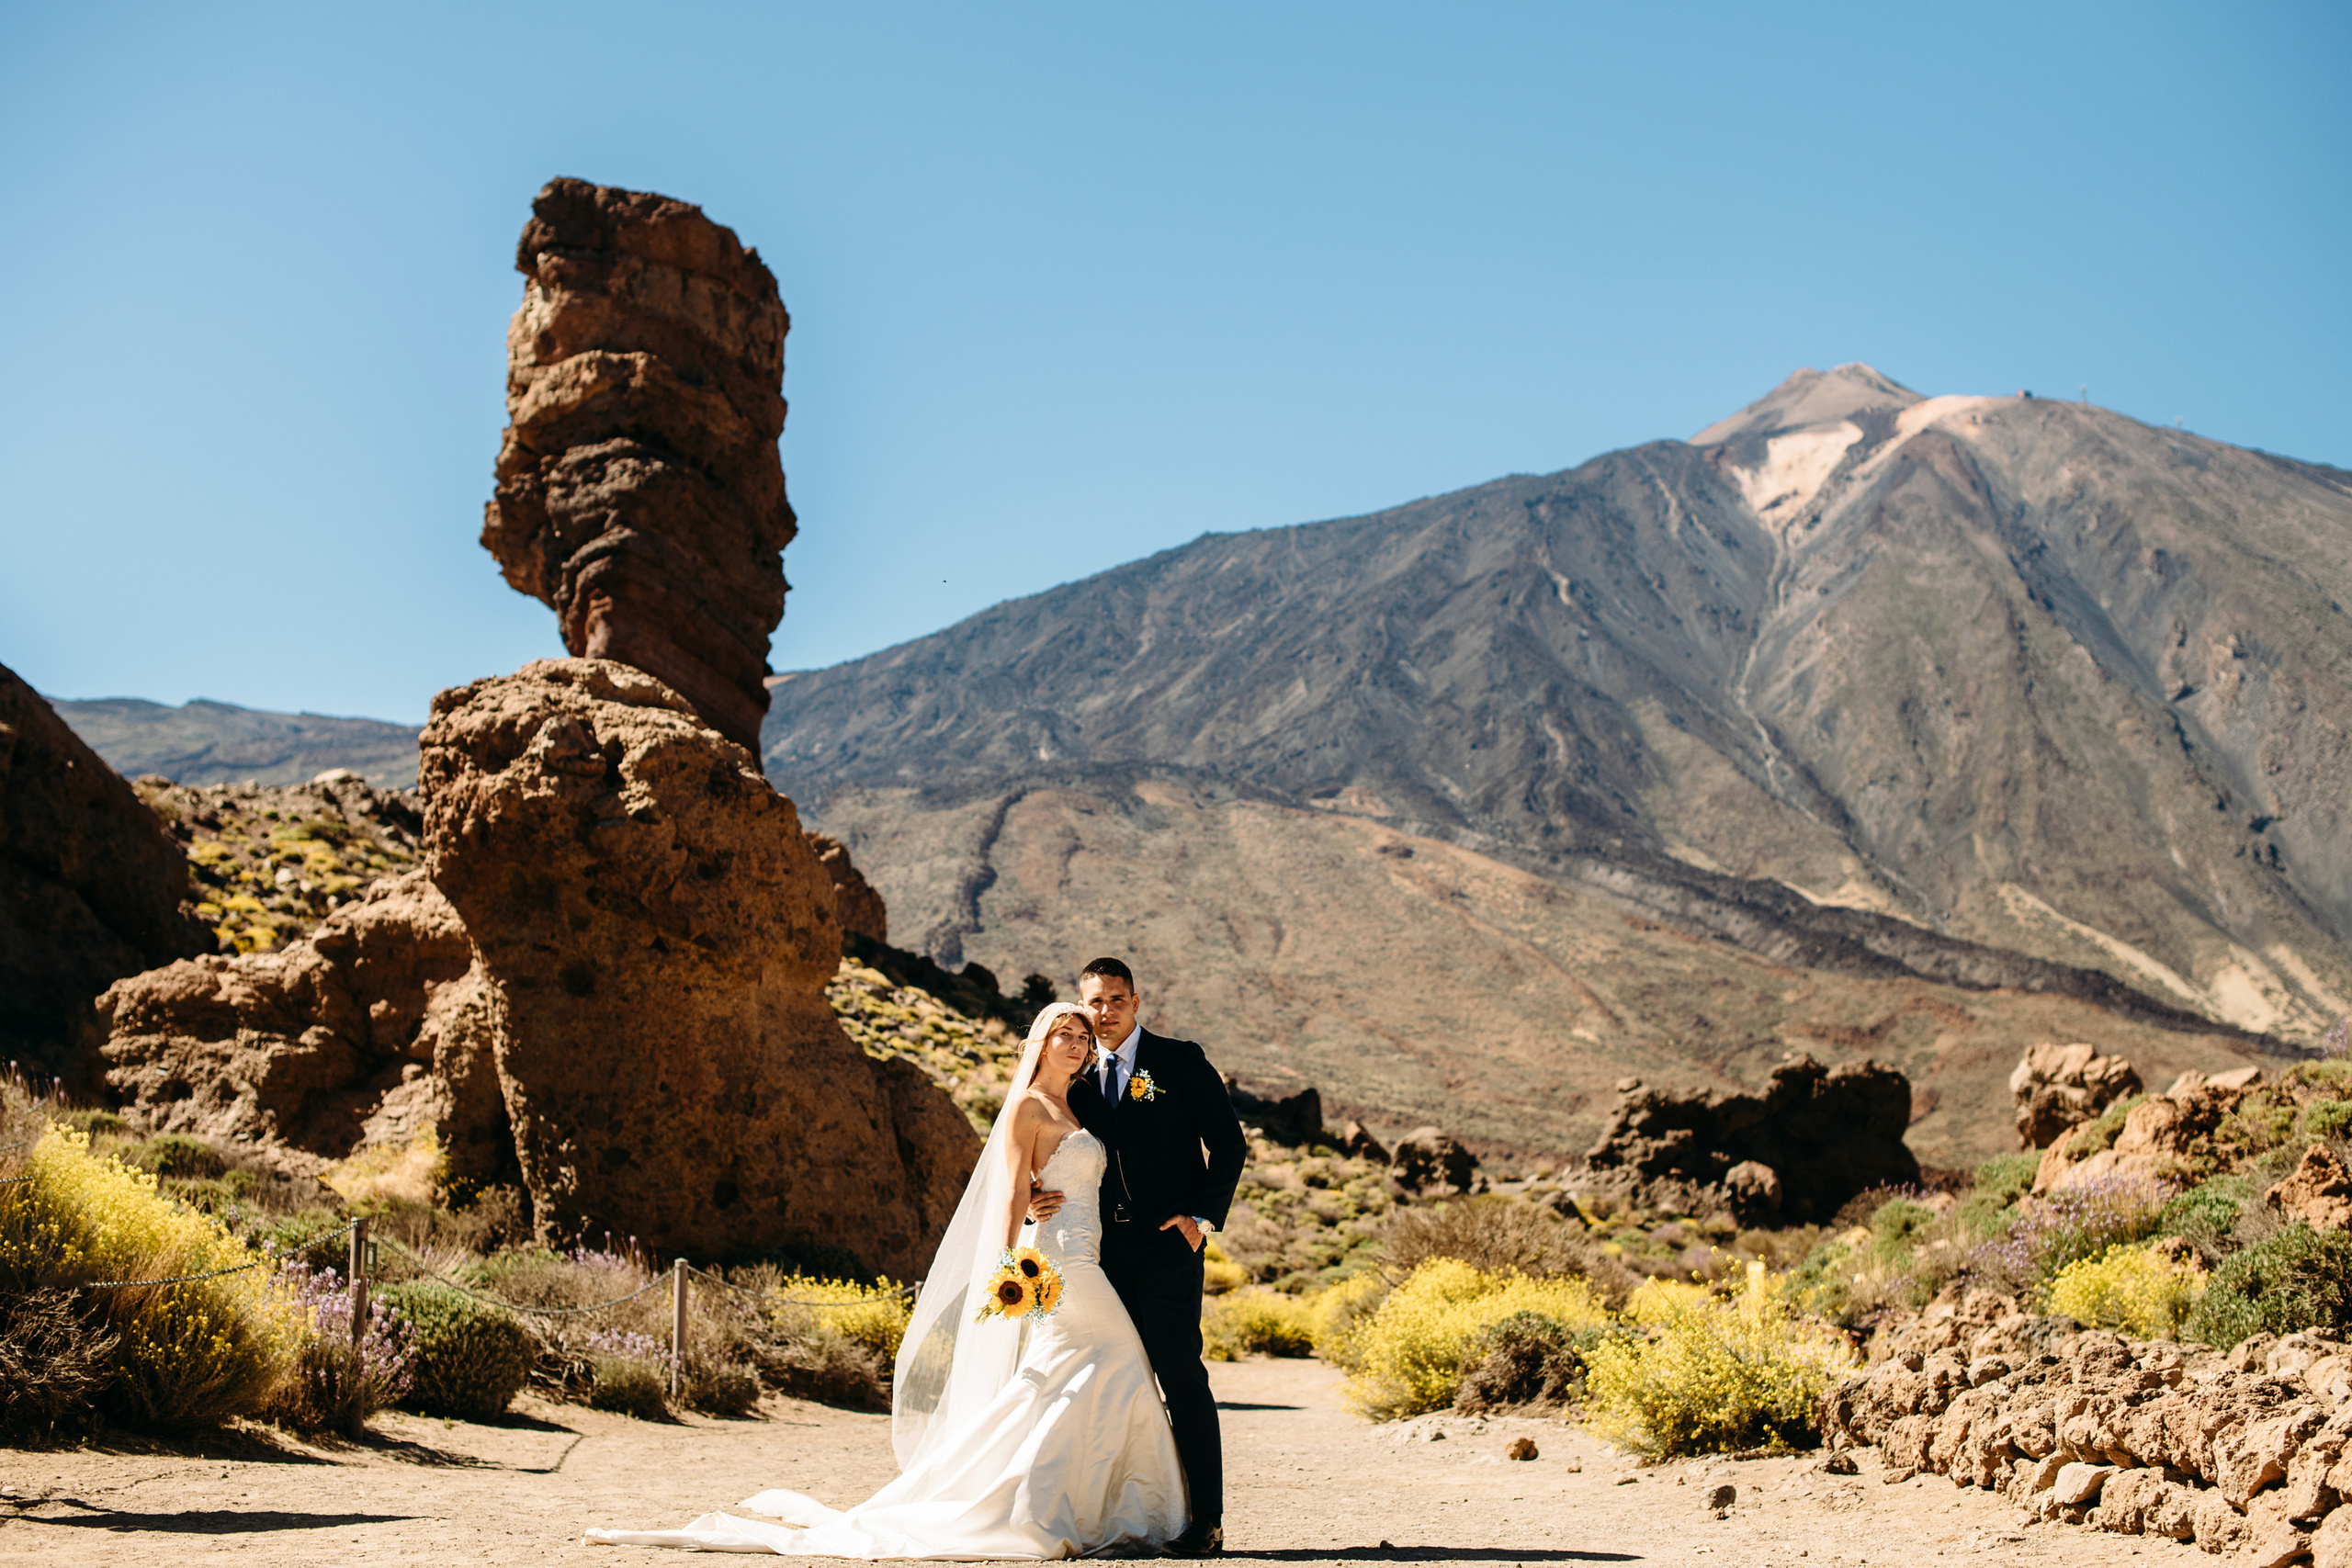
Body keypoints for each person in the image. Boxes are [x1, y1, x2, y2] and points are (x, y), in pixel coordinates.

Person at [585, 1002, 1188, 1558]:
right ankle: (1086, 1504)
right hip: (1054, 1261)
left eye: (1084, 1037)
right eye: (1066, 1034)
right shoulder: (1028, 1105)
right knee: (1115, 1356)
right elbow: (1008, 1188)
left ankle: (1072, 1500)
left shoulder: (1087, 1104)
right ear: (1042, 1041)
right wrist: (1009, 1268)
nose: (1078, 1044)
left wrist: (1158, 1098)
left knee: (1071, 1373)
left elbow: (1142, 1120)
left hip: (1092, 1250)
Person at [1035, 957, 1248, 1559]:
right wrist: (1029, 1189)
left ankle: (1205, 1521)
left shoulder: (1178, 1060)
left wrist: (1202, 1218)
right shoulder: (1078, 1076)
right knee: (1110, 1381)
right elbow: (1039, 1142)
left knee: (1181, 1377)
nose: (1105, 1012)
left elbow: (1229, 1142)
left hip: (1167, 1250)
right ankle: (1121, 1513)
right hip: (1101, 1256)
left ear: (1136, 1000)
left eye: (1116, 1000)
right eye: (1095, 1002)